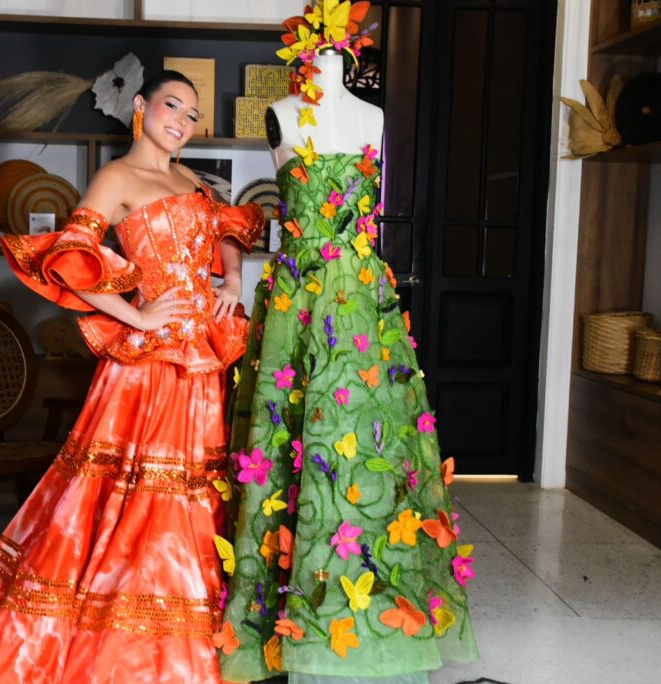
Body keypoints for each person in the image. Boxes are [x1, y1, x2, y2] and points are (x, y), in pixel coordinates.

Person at [0, 70, 264, 683]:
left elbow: (228, 228)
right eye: (173, 106)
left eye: (192, 115)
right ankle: (125, 649)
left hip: (202, 360)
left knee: (194, 492)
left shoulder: (192, 180)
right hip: (147, 368)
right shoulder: (117, 178)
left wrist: (234, 280)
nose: (182, 122)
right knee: (132, 494)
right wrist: (137, 314)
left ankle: (187, 634)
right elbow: (68, 258)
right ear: (140, 106)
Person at [215, 3, 478, 682]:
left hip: (361, 298)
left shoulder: (374, 117)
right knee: (290, 434)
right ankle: (285, 613)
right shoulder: (280, 115)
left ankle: (371, 598)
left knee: (364, 434)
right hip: (297, 296)